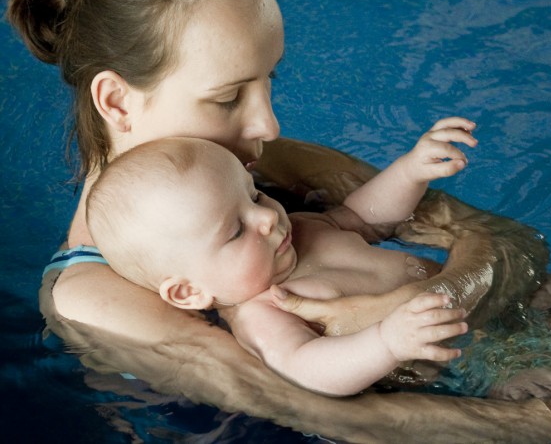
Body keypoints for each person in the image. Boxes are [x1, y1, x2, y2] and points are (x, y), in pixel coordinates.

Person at [6, 0, 551, 441]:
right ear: (116, 101)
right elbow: (343, 419)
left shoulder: (259, 162)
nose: (268, 123)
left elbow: (513, 244)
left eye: (272, 79)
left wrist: (424, 299)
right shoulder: (95, 298)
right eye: (228, 97)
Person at [86, 121, 476, 396]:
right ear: (189, 292)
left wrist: (410, 171)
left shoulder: (305, 228)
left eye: (253, 195)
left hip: (468, 300)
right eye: (236, 230)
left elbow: (368, 218)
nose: (267, 216)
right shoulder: (262, 316)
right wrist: (387, 343)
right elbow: (310, 368)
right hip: (457, 358)